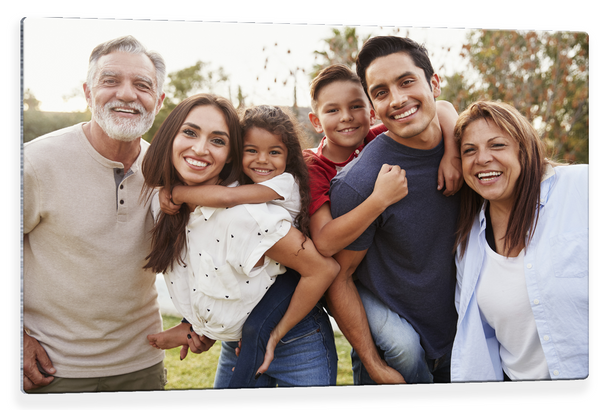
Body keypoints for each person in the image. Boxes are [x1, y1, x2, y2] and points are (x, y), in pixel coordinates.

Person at [141, 96, 339, 388]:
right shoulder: (164, 202)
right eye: (190, 132)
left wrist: (275, 334)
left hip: (296, 341)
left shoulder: (247, 215)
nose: (199, 148)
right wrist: (204, 328)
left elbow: (322, 269)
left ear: (229, 154)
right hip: (236, 340)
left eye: (217, 141)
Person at [23, 35, 167, 393]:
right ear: (88, 93)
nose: (128, 94)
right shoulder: (33, 164)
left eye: (142, 85)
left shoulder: (168, 171)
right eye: (110, 81)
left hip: (143, 365)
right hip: (52, 368)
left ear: (158, 101)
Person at [327, 36, 461, 384]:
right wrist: (374, 364)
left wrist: (455, 152)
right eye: (382, 92)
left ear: (433, 82)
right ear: (373, 106)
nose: (398, 99)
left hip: (465, 344)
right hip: (395, 360)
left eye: (406, 82)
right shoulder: (361, 184)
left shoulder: (469, 151)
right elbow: (339, 278)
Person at [451, 101, 588, 382]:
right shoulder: (468, 247)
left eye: (497, 145)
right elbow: (482, 345)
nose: (482, 159)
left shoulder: (583, 187)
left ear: (523, 150)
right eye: (469, 151)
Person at [304, 63, 461, 258]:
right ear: (316, 122)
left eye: (355, 106)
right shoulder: (312, 165)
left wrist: (453, 155)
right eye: (332, 110)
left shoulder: (375, 139)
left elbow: (441, 107)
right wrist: (380, 200)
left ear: (372, 114)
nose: (346, 117)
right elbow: (324, 242)